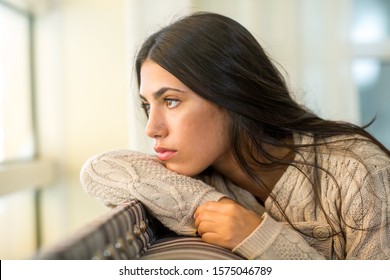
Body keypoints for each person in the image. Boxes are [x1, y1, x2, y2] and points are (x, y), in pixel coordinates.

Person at [80, 12, 390, 259]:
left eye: (171, 101)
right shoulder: (198, 180)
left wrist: (258, 237)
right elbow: (101, 170)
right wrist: (212, 206)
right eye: (148, 105)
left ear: (230, 94)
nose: (152, 128)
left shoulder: (358, 171)